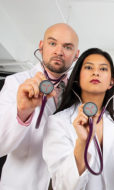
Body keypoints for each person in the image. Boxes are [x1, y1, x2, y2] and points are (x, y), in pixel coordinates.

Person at [43, 48, 114, 190]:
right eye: (88, 67)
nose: (96, 72)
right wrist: (82, 143)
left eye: (103, 69)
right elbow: (62, 185)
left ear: (111, 82)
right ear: (77, 78)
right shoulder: (58, 122)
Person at [0, 23, 79, 190]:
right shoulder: (16, 83)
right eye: (52, 43)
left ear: (76, 55)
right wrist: (22, 112)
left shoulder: (79, 94)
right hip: (23, 184)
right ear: (41, 46)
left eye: (67, 47)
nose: (59, 51)